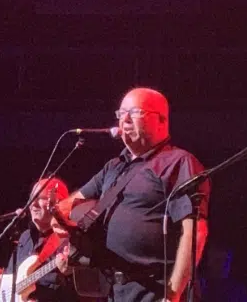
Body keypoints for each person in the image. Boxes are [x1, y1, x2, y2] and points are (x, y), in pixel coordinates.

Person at [55, 87, 210, 302]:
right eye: (121, 113)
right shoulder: (114, 167)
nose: (124, 120)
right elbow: (68, 206)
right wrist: (67, 246)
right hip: (113, 291)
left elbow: (195, 234)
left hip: (154, 292)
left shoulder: (178, 162)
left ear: (162, 120)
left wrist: (173, 294)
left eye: (136, 112)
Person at [0, 178, 79, 302]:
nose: (33, 204)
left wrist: (70, 272)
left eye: (41, 198)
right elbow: (12, 275)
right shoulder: (25, 236)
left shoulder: (70, 238)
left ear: (58, 202)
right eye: (32, 198)